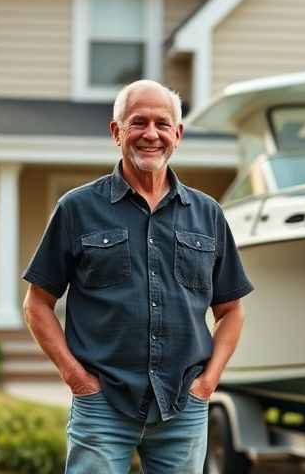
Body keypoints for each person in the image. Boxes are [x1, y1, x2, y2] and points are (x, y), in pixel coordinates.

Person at [21, 79, 253, 473]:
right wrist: (75, 377)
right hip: (102, 405)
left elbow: (231, 311)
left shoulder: (208, 213)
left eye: (162, 124)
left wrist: (207, 384)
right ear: (117, 132)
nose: (151, 134)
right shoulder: (77, 209)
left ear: (177, 135)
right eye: (138, 122)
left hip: (183, 407)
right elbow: (37, 304)